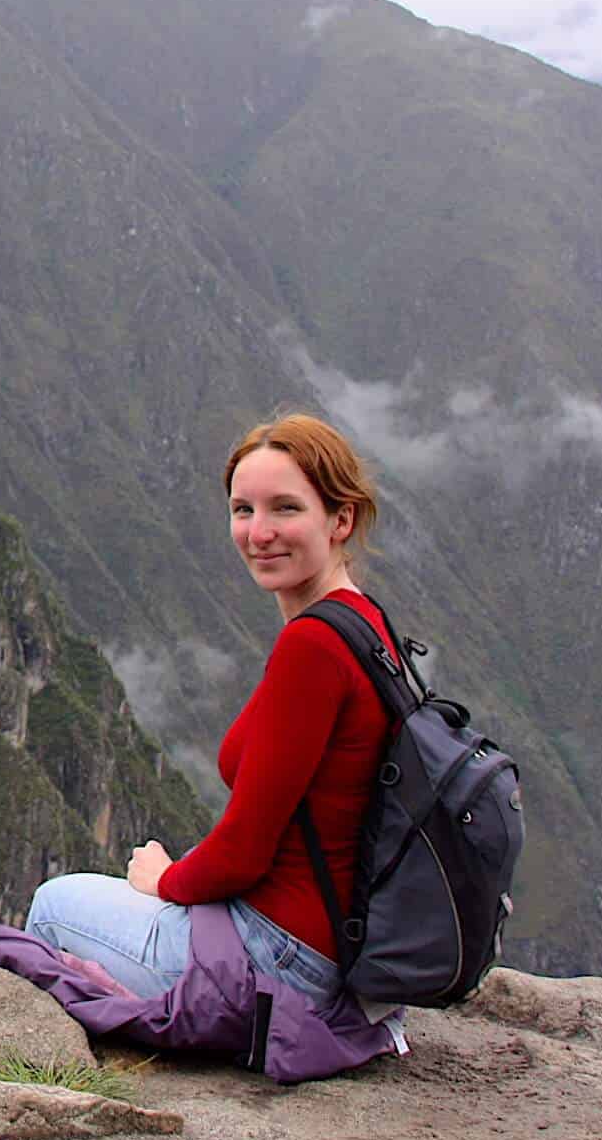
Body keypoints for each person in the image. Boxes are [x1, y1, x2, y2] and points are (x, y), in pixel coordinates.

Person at [21, 412, 398, 1010]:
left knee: (54, 906)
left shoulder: (314, 647)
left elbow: (245, 852)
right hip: (336, 947)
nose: (259, 531)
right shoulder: (367, 624)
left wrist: (162, 882)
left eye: (285, 508)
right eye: (243, 510)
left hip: (284, 957)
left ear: (340, 518)